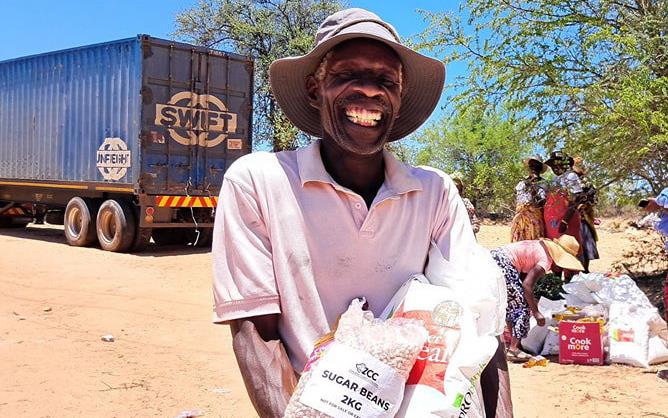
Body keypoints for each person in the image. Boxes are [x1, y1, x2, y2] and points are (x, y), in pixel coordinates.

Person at [211, 8, 510, 417]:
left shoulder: (434, 192)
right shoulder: (259, 181)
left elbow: (476, 322)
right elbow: (255, 335)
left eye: (386, 81)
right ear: (315, 90)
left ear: (399, 99)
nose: (369, 92)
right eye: (348, 75)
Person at [491, 235, 585, 362]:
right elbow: (527, 285)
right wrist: (536, 312)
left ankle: (514, 345)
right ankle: (513, 349)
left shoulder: (540, 247)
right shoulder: (545, 261)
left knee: (513, 304)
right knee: (522, 307)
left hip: (495, 257)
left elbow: (523, 279)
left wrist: (532, 299)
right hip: (504, 263)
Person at [510, 156, 547, 242]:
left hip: (534, 220)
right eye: (531, 165)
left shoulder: (543, 183)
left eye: (536, 165)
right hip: (520, 219)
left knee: (534, 240)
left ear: (540, 168)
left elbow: (542, 202)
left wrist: (533, 188)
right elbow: (518, 197)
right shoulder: (522, 182)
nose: (533, 168)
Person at [572, 158, 600, 272]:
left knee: (584, 247)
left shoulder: (586, 183)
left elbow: (593, 199)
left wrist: (583, 204)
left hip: (583, 218)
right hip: (569, 219)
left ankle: (585, 271)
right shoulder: (566, 183)